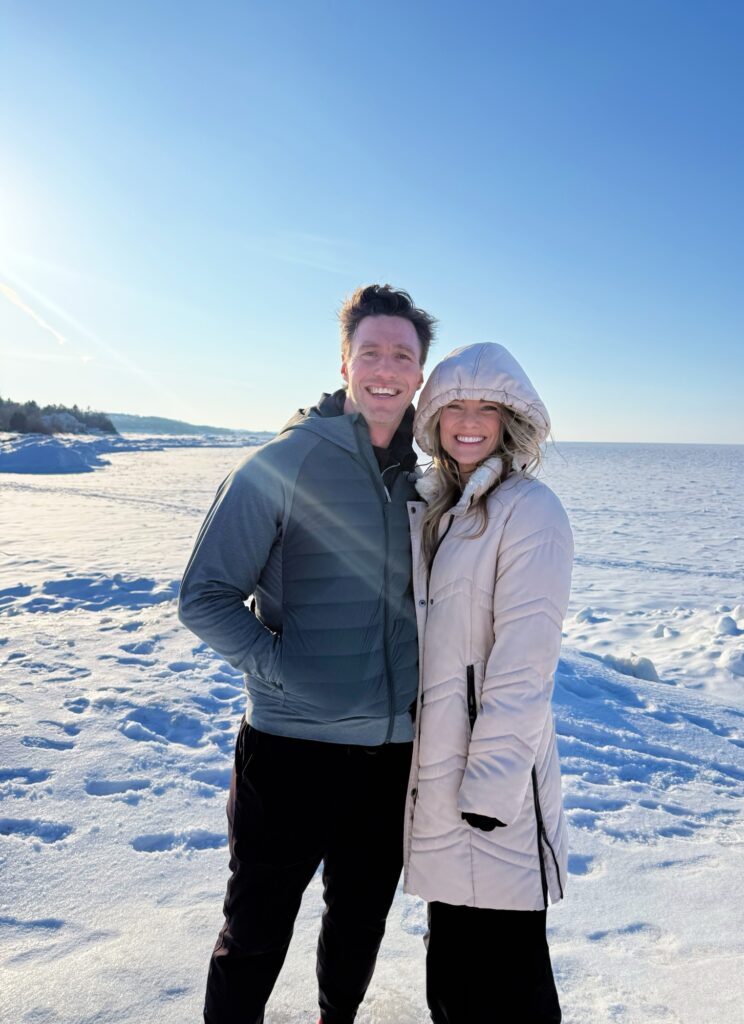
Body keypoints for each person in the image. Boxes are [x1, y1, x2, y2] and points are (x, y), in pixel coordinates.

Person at [178, 284, 436, 1024]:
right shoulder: (280, 464)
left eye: (403, 356)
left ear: (420, 373)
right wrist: (284, 673)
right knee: (256, 930)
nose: (386, 369)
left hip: (392, 755)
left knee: (360, 919)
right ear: (344, 362)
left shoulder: (423, 481)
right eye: (371, 352)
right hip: (290, 752)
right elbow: (204, 597)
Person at [403, 342, 573, 1024]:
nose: (469, 421)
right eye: (455, 406)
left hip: (491, 785)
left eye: (487, 407)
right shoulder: (439, 508)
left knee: (509, 979)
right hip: (440, 774)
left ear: (511, 420)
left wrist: (492, 788)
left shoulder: (530, 510)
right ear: (435, 419)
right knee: (452, 971)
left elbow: (525, 662)